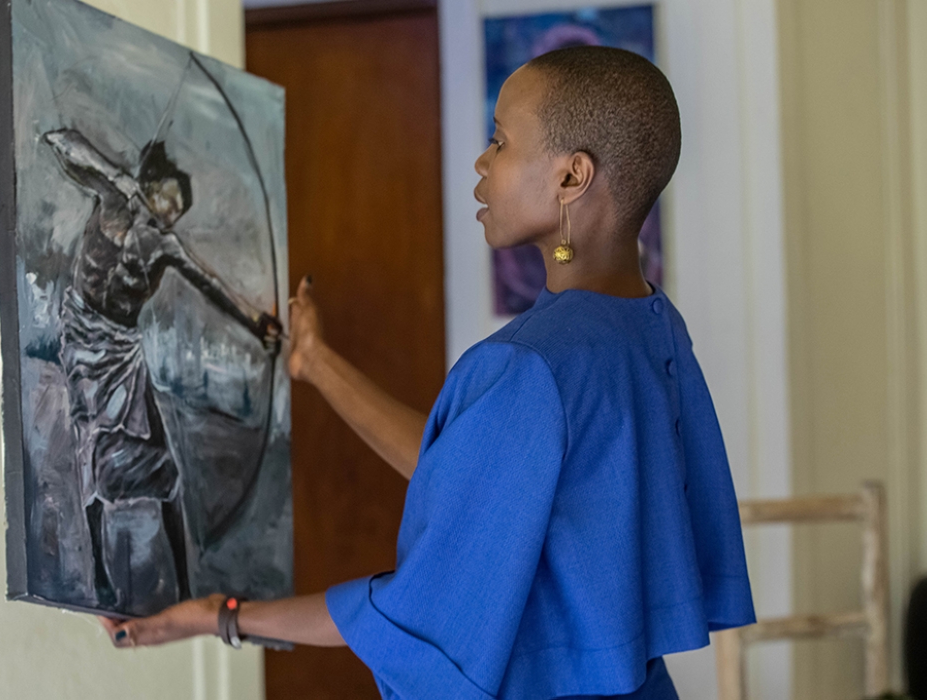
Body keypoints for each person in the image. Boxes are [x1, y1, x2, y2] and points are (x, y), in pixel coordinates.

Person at [96, 46, 756, 699]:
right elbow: (475, 478)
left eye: (500, 140)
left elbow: (409, 621)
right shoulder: (650, 329)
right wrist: (317, 364)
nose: (482, 160)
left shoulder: (532, 366)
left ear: (570, 177)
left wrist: (220, 616)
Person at [45, 129, 282, 615]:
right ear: (149, 190)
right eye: (165, 200)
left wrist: (257, 322)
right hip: (89, 344)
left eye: (177, 209)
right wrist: (118, 179)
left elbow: (212, 284)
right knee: (92, 443)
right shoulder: (115, 210)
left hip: (125, 352)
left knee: (163, 459)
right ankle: (100, 575)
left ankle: (185, 581)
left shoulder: (167, 246)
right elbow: (60, 140)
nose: (169, 213)